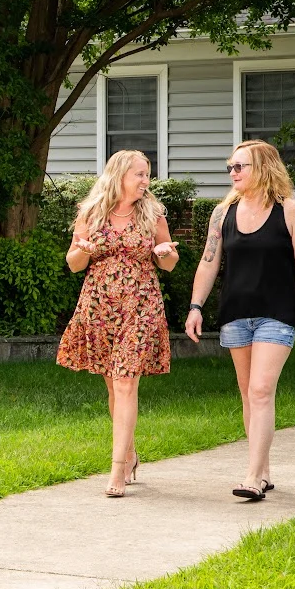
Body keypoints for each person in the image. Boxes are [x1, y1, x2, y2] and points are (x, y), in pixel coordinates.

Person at [185, 139, 295, 501]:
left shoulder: (290, 211)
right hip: (236, 313)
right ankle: (263, 469)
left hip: (279, 313)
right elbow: (208, 263)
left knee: (261, 390)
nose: (232, 173)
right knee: (249, 395)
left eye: (239, 166)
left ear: (262, 168)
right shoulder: (222, 213)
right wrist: (196, 307)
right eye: (229, 167)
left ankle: (252, 477)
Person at [57, 150, 179, 497]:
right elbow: (74, 264)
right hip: (99, 307)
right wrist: (84, 249)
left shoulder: (152, 214)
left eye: (147, 174)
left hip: (140, 306)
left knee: (126, 383)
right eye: (139, 174)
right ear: (119, 175)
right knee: (113, 386)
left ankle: (117, 470)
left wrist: (165, 253)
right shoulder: (92, 213)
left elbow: (170, 262)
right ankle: (129, 452)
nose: (145, 181)